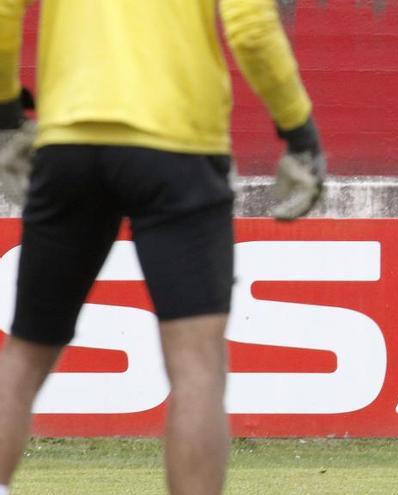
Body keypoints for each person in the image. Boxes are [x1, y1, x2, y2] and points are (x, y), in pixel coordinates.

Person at [0, 1, 324, 494]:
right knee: (196, 363)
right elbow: (251, 27)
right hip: (180, 148)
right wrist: (297, 129)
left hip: (70, 141)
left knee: (24, 355)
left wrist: (5, 114)